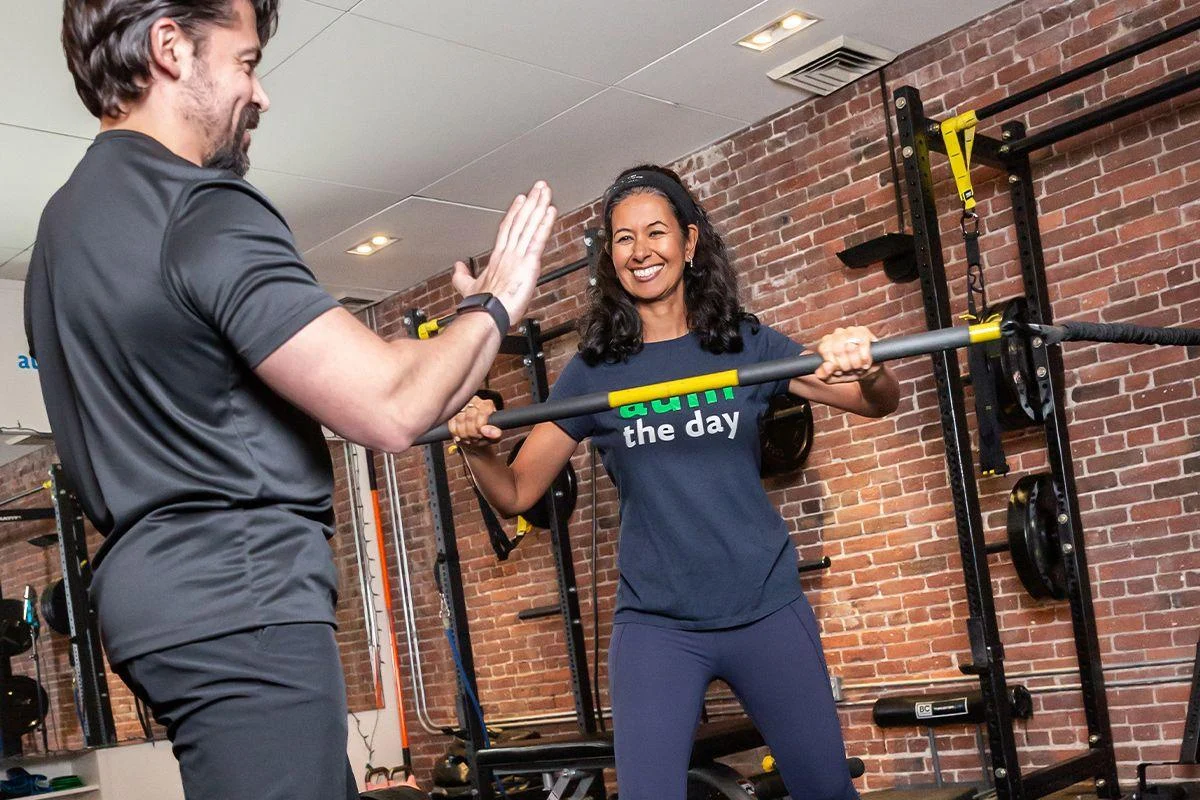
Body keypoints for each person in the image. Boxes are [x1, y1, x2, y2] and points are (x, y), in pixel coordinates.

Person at [24, 2, 556, 799]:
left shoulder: (66, 228)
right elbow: (388, 409)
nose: (262, 94)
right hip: (241, 602)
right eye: (244, 62)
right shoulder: (200, 210)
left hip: (169, 604)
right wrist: (500, 304)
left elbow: (359, 364)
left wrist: (458, 331)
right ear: (170, 47)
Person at [447, 164, 900, 800]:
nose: (641, 251)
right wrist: (476, 450)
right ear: (611, 257)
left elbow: (874, 402)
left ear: (689, 243)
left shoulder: (743, 343)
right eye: (624, 239)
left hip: (765, 607)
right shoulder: (595, 371)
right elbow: (519, 492)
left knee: (826, 790)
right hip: (658, 625)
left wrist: (867, 361)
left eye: (656, 233)